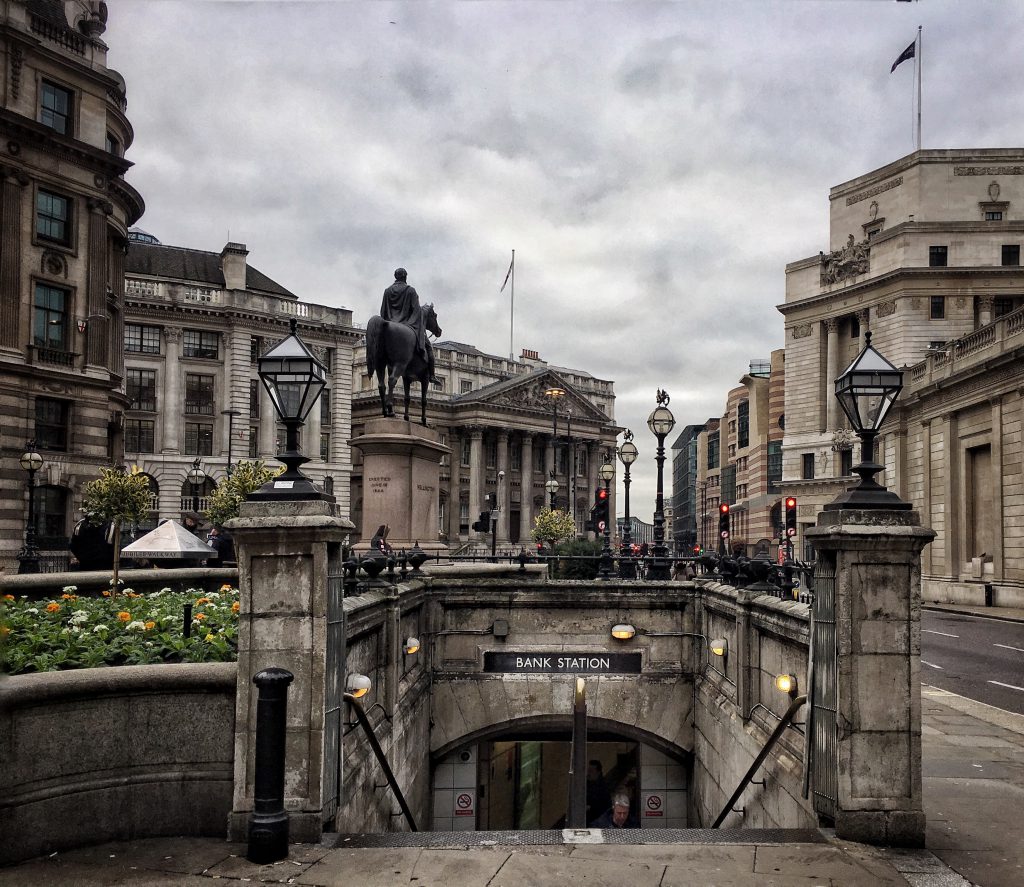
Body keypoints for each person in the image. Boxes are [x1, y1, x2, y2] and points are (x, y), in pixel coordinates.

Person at [380, 267, 438, 383]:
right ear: (405, 276)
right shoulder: (411, 291)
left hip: (389, 325)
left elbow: (383, 311)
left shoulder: (387, 291)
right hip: (409, 325)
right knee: (429, 348)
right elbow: (416, 311)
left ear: (395, 277)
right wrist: (414, 327)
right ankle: (432, 375)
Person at [585, 760, 612, 825]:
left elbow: (603, 806)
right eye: (588, 771)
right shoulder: (587, 783)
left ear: (598, 772)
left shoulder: (603, 787)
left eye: (591, 771)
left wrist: (590, 807)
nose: (588, 773)